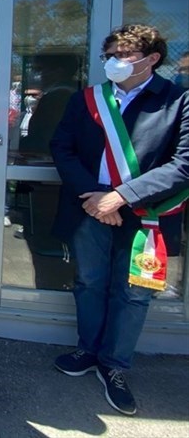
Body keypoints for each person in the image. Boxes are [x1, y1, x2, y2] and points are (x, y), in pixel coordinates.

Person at [50, 24, 189, 416]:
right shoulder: (88, 99)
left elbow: (184, 165)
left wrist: (120, 198)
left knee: (134, 293)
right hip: (90, 209)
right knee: (89, 282)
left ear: (152, 59)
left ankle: (115, 365)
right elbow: (62, 147)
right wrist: (95, 199)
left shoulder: (179, 102)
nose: (113, 62)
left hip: (147, 218)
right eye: (109, 55)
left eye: (123, 55)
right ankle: (88, 350)